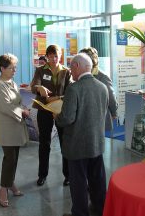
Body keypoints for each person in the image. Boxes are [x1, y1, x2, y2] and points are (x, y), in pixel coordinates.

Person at [54, 53, 109, 216]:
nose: (70, 71)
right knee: (97, 180)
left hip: (77, 145)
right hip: (97, 143)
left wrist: (57, 117)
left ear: (77, 66)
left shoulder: (74, 88)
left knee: (78, 183)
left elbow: (67, 118)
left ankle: (80, 212)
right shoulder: (102, 87)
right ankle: (99, 209)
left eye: (71, 67)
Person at [0, 53, 30, 207]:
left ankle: (10, 183)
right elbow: (6, 107)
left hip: (16, 126)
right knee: (9, 159)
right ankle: (3, 188)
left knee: (14, 157)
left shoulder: (11, 83)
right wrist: (22, 111)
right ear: (2, 68)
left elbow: (18, 102)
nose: (15, 70)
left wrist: (23, 107)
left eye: (15, 67)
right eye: (11, 68)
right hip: (7, 127)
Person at [30, 44, 72, 186]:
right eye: (51, 56)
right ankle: (42, 174)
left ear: (60, 55)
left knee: (64, 142)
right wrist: (38, 87)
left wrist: (58, 98)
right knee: (44, 143)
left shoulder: (66, 71)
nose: (54, 59)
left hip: (61, 111)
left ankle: (68, 175)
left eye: (57, 55)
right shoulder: (41, 70)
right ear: (46, 56)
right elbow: (33, 86)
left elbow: (71, 92)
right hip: (45, 110)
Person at [79, 47, 118, 131]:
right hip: (85, 117)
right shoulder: (80, 75)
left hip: (100, 117)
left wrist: (114, 112)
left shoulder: (102, 77)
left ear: (92, 60)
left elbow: (111, 97)